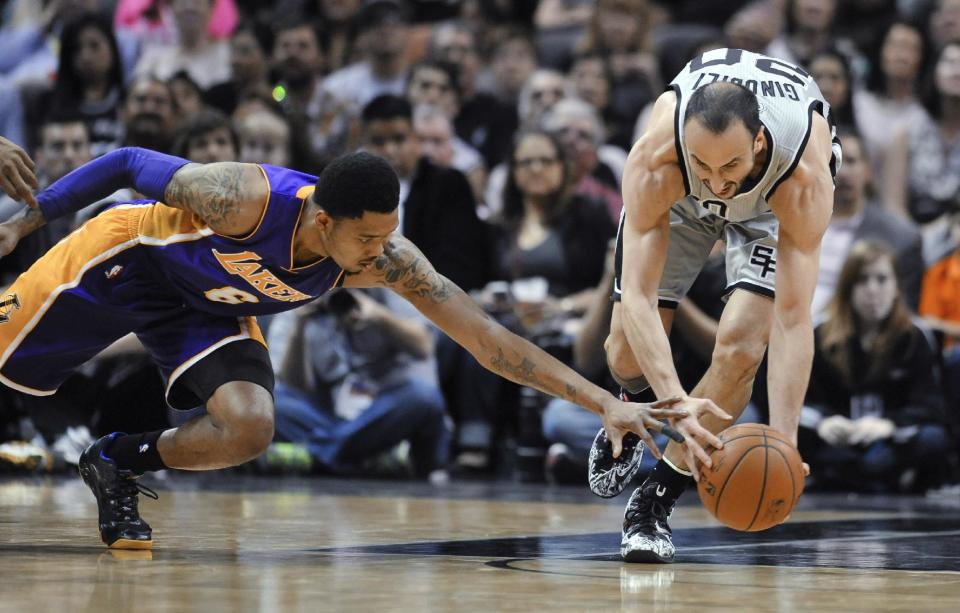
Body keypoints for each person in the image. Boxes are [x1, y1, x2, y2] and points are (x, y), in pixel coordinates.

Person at [0, 147, 709, 550]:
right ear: (321, 217)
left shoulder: (383, 258)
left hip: (207, 307)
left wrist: (603, 406)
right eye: (366, 238)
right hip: (124, 259)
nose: (380, 252)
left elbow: (491, 342)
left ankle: (115, 460)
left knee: (249, 424)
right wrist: (38, 211)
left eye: (386, 236)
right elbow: (126, 160)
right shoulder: (241, 198)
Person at [593, 48, 841, 564]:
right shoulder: (657, 159)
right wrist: (671, 401)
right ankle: (631, 403)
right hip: (681, 199)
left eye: (730, 164)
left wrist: (787, 438)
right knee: (624, 357)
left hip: (769, 206)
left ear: (757, 141)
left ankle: (654, 501)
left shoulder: (803, 177)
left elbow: (794, 320)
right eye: (705, 163)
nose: (719, 182)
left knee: (742, 349)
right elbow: (636, 296)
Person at [802, 240, 950, 493]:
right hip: (837, 439)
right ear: (847, 289)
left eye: (882, 279)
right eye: (862, 280)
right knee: (800, 437)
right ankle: (860, 478)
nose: (873, 290)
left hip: (887, 441)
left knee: (932, 439)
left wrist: (889, 424)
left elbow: (931, 407)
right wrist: (824, 422)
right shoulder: (820, 334)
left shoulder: (914, 337)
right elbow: (797, 400)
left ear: (896, 288)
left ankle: (856, 478)